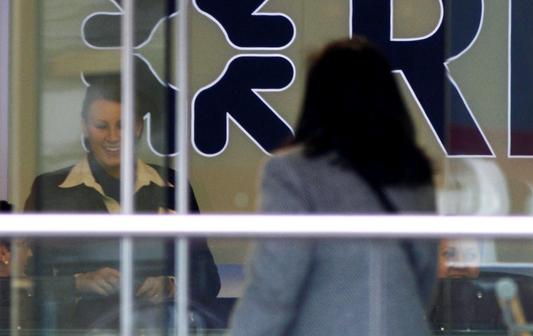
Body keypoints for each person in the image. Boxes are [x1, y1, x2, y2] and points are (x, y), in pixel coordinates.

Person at [229, 38, 437, 336]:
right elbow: (424, 278)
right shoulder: (413, 172)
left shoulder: (292, 172)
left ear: (317, 100)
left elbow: (275, 285)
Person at [24, 74, 220, 330]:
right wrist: (79, 283)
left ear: (138, 127)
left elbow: (208, 279)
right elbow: (24, 282)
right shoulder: (50, 190)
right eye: (101, 126)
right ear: (84, 127)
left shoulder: (173, 186)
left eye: (122, 125)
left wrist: (171, 285)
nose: (112, 136)